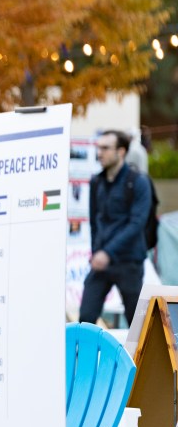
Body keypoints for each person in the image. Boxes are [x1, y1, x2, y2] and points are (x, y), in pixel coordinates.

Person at [80, 129, 153, 326]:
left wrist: (107, 253)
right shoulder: (97, 182)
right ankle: (81, 357)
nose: (99, 153)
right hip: (101, 261)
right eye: (98, 148)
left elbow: (137, 224)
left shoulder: (138, 182)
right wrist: (97, 251)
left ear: (121, 152)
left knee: (138, 325)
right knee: (85, 317)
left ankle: (137, 358)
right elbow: (95, 221)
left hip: (129, 262)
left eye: (105, 148)